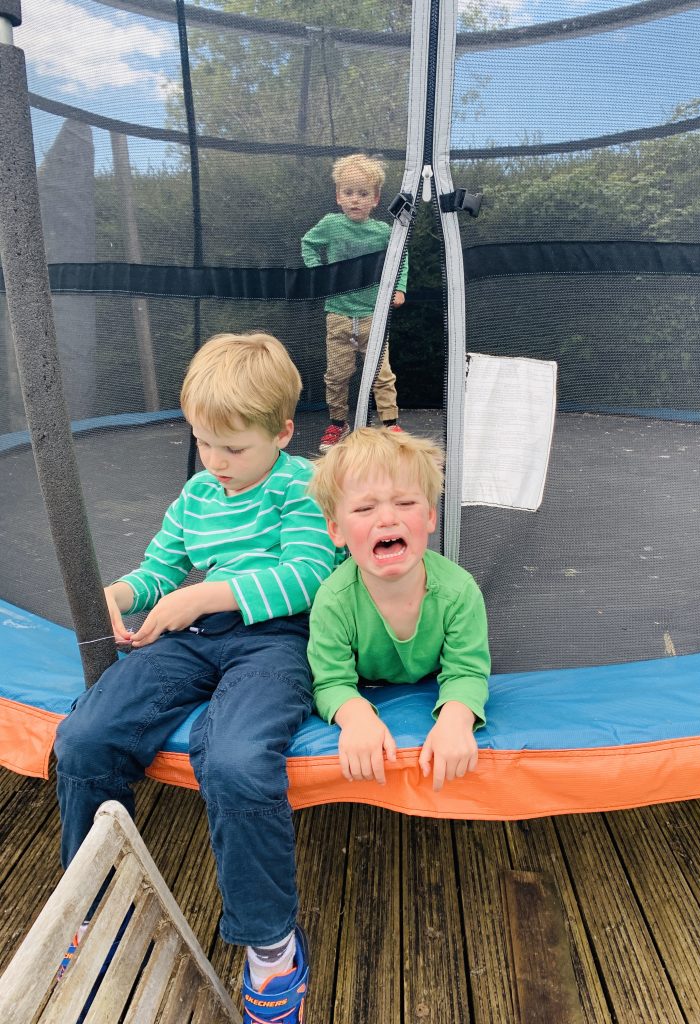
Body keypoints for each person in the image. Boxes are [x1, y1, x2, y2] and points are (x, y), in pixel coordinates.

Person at [54, 332, 340, 1024]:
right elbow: (159, 571)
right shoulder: (197, 493)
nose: (215, 463)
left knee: (238, 759)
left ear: (281, 432)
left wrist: (206, 596)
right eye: (204, 443)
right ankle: (92, 908)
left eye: (232, 448)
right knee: (83, 737)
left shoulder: (301, 484)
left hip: (275, 644)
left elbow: (309, 575)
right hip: (192, 638)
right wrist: (119, 596)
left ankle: (272, 949)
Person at [307, 427, 491, 791]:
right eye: (364, 508)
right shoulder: (333, 600)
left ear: (429, 518)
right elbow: (330, 682)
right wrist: (357, 718)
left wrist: (456, 720)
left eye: (405, 503)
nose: (388, 518)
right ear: (336, 530)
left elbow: (467, 671)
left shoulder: (459, 592)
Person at [301, 154, 409, 452]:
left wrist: (399, 287)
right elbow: (308, 243)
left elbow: (401, 257)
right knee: (337, 374)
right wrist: (317, 272)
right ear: (338, 196)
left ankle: (389, 423)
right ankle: (338, 423)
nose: (355, 200)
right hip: (338, 313)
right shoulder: (331, 225)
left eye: (363, 194)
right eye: (349, 193)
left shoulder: (384, 232)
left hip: (373, 313)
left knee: (382, 374)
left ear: (375, 199)